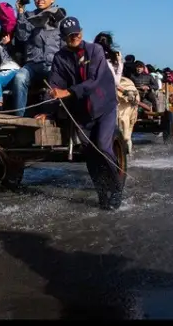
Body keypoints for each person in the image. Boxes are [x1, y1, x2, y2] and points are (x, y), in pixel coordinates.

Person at [40, 16, 123, 210]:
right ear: (63, 37)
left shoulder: (95, 50)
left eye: (76, 34)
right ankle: (103, 193)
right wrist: (48, 110)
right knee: (90, 155)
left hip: (104, 107)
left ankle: (117, 188)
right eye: (69, 36)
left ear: (82, 33)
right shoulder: (60, 58)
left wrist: (67, 92)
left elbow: (94, 81)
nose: (74, 38)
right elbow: (54, 84)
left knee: (102, 146)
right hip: (81, 113)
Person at [11, 0, 66, 116]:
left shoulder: (60, 18)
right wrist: (20, 12)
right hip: (33, 64)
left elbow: (64, 45)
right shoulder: (29, 17)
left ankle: (49, 115)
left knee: (55, 84)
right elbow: (22, 36)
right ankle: (19, 118)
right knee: (19, 78)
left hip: (53, 65)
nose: (39, 0)